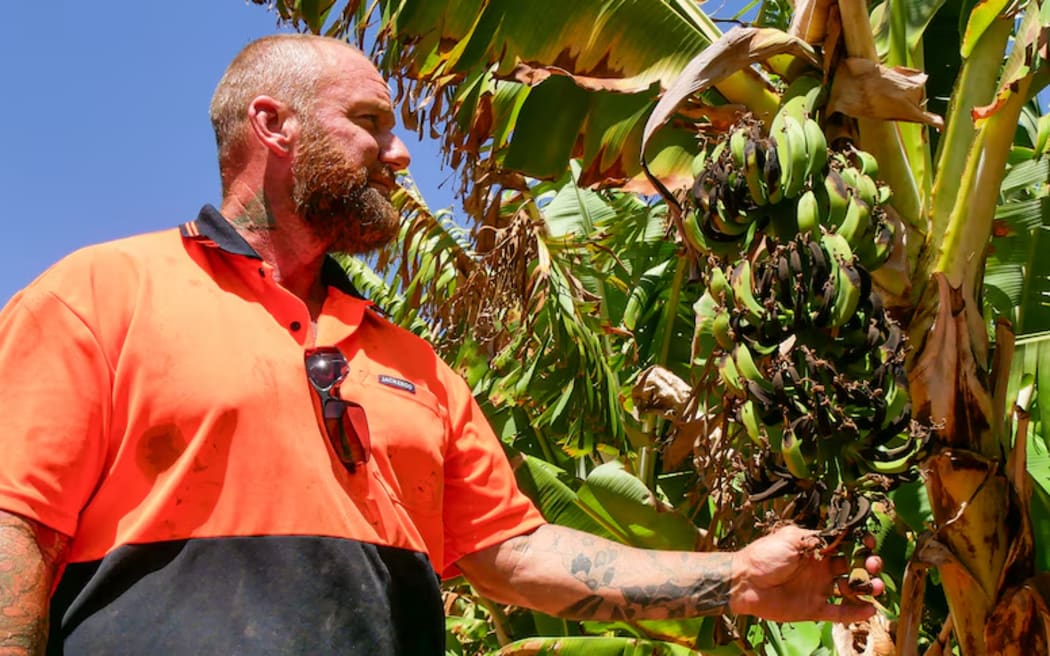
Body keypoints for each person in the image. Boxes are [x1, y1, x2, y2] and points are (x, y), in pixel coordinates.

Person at [0, 33, 883, 655]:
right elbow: (15, 530)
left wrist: (738, 578)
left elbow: (518, 555)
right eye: (373, 122)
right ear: (275, 126)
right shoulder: (100, 295)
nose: (401, 152)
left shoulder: (412, 365)